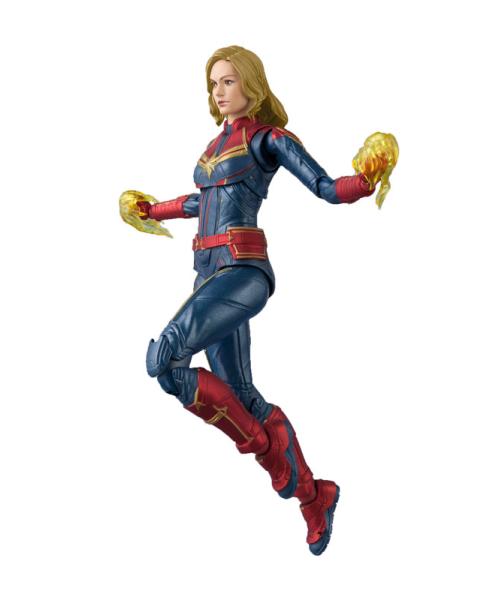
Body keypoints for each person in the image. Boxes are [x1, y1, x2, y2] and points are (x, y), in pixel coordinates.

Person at [130, 45, 388, 555]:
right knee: (242, 397)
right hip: (208, 276)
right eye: (213, 83)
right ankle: (313, 496)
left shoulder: (268, 139)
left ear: (251, 84)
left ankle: (264, 447)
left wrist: (365, 179)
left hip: (243, 272)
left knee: (165, 361)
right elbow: (202, 201)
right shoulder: (214, 146)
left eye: (228, 81)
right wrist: (152, 210)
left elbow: (325, 186)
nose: (218, 92)